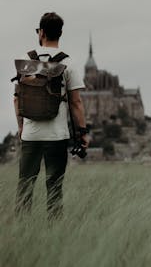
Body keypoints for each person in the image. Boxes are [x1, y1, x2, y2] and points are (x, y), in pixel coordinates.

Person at [14, 12, 89, 220]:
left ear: (42, 32)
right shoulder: (68, 64)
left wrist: (21, 127)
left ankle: (20, 232)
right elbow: (76, 103)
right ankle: (53, 232)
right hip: (57, 136)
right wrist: (82, 133)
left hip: (30, 135)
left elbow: (16, 98)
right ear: (60, 34)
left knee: (25, 188)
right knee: (54, 189)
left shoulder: (25, 62)